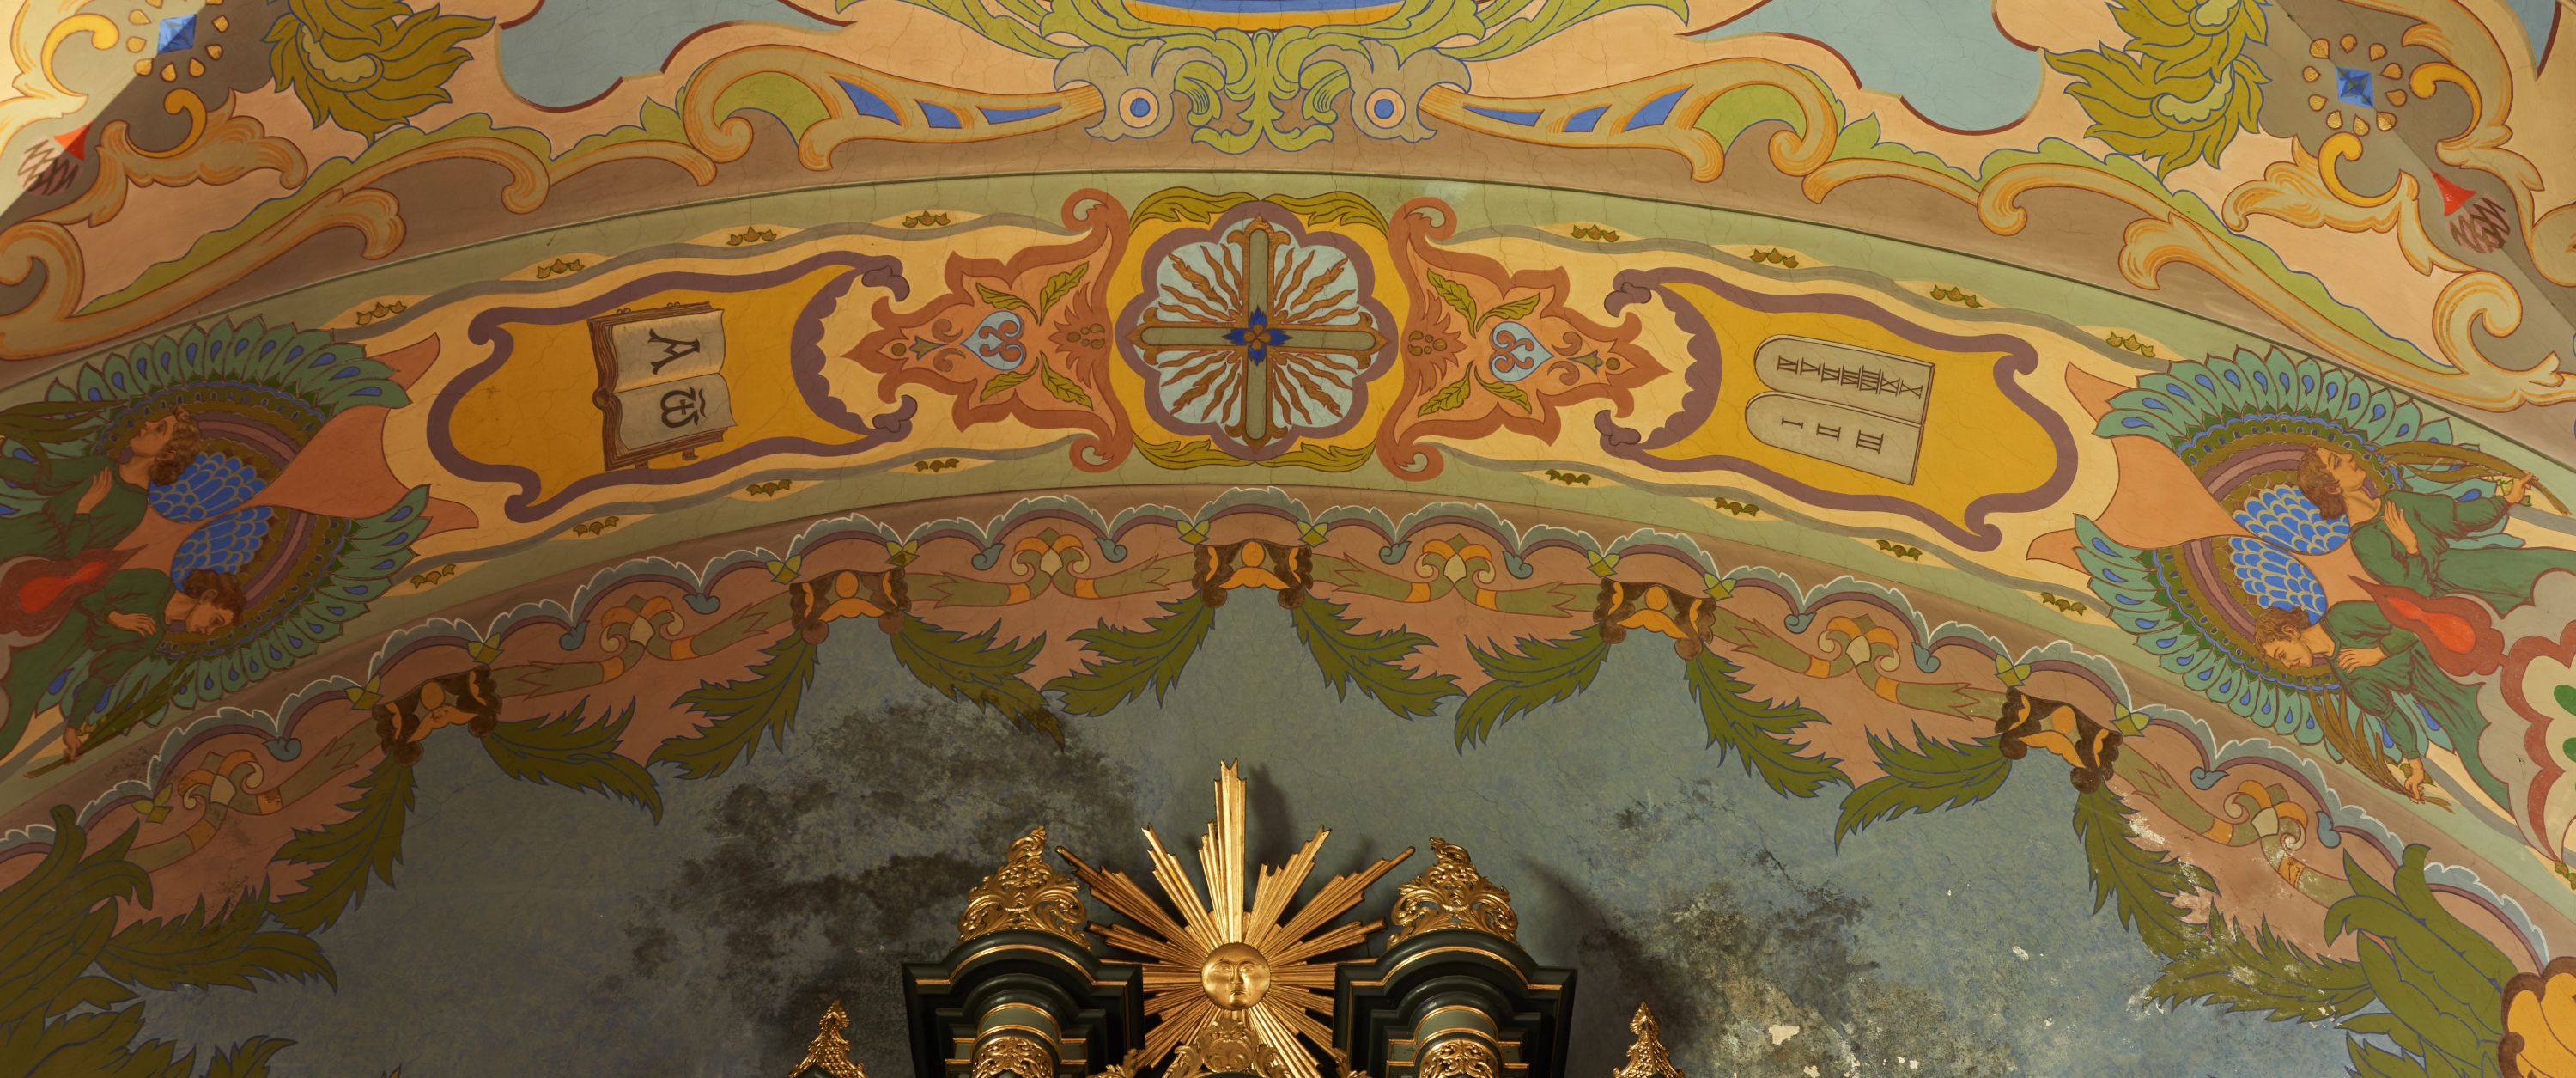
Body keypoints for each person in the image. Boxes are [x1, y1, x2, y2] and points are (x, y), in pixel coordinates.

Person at [2252, 603, 2507, 808]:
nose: (2287, 665)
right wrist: (2415, 768)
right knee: (2480, 762)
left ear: (2290, 632)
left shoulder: (2342, 618)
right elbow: (2389, 715)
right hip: (2441, 704)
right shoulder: (2344, 672)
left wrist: (2377, 653)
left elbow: (2413, 620)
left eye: (2282, 655)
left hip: (2455, 671)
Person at [0, 567, 242, 759]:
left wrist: (73, 729)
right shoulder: (154, 583)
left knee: (11, 724)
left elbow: (102, 675)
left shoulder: (153, 636)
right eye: (215, 621)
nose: (209, 631)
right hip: (46, 628)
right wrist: (114, 617)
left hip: (58, 659)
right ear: (207, 597)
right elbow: (86, 588)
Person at [2300, 445, 2576, 612]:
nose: (2349, 455)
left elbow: (2457, 517)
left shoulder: (2396, 500)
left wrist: (2506, 500)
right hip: (2455, 599)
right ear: (2333, 488)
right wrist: (2412, 548)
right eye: (2337, 462)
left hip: (2471, 566)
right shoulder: (2364, 540)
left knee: (2554, 564)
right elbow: (2413, 595)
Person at [0, 408, 199, 564]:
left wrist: (83, 511)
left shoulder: (132, 508)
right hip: (16, 530)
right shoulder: (100, 466)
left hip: (26, 558)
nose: (147, 423)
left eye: (159, 428)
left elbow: (76, 556)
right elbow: (39, 477)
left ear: (165, 455)